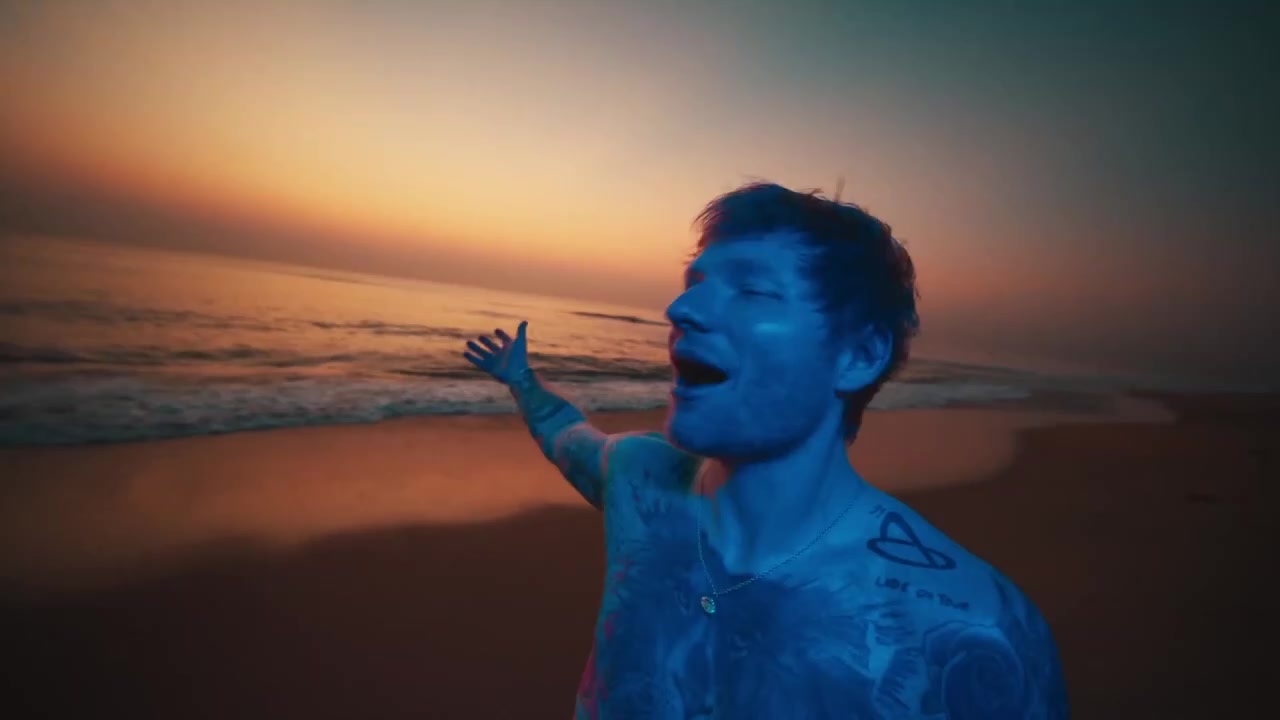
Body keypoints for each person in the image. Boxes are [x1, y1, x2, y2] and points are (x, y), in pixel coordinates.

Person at [463, 181, 1069, 719]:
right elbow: (566, 437)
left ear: (859, 355)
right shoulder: (638, 480)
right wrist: (521, 380)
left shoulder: (972, 631)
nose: (680, 309)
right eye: (696, 284)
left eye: (751, 289)